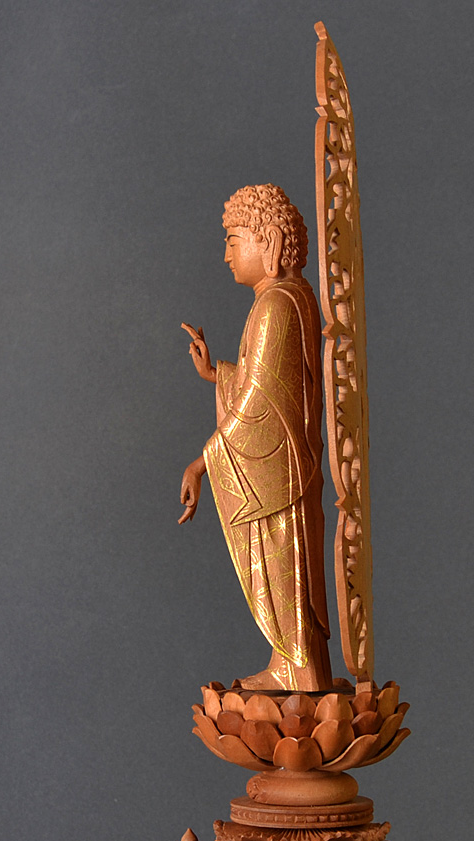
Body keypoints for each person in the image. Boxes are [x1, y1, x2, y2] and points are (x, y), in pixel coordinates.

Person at [179, 184, 332, 691]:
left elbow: (256, 408)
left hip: (278, 466)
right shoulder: (294, 298)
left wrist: (201, 463)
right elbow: (267, 385)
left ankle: (295, 667)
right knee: (289, 567)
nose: (226, 255)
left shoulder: (275, 306)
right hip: (289, 463)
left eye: (233, 240)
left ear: (267, 241)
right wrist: (216, 374)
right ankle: (295, 664)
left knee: (283, 562)